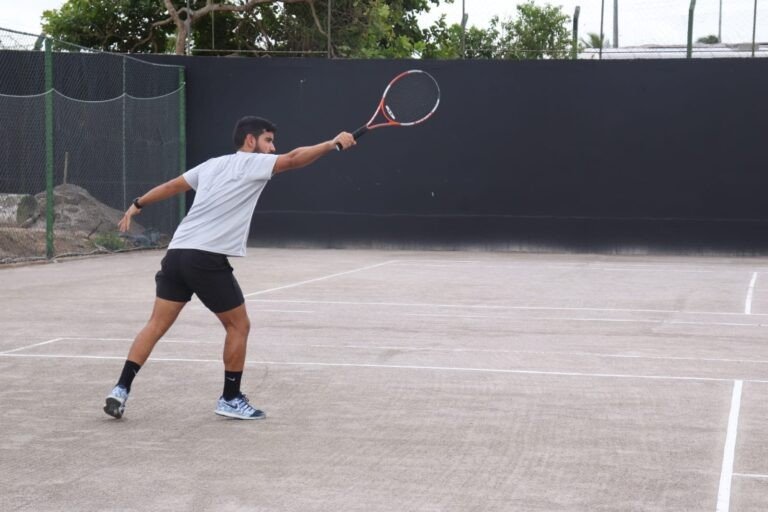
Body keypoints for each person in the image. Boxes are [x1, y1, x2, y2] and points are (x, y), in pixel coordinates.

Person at [104, 116, 355, 420]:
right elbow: (292, 160)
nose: (273, 147)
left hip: (177, 254)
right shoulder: (252, 163)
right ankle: (230, 398)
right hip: (205, 258)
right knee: (239, 325)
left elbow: (172, 185)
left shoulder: (212, 165)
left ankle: (120, 389)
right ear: (251, 141)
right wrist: (332, 144)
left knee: (155, 325)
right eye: (268, 140)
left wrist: (137, 204)